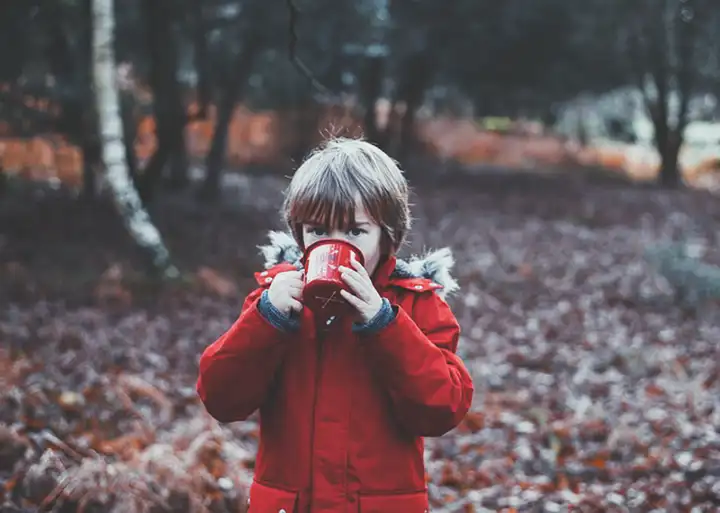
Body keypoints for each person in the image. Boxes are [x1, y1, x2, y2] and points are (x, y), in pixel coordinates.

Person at [196, 137, 474, 513]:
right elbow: (221, 398)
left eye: (356, 232)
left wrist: (384, 324)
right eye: (318, 231)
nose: (334, 243)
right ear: (300, 234)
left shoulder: (415, 305)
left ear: (387, 235)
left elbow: (442, 409)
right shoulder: (275, 300)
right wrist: (267, 319)